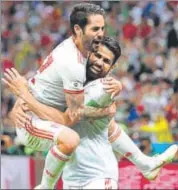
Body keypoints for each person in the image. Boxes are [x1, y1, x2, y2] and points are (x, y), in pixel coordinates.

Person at [4, 36, 178, 189]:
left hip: (99, 177)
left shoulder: (103, 88)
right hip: (72, 178)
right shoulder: (74, 77)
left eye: (106, 61)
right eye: (98, 56)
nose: (100, 62)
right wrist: (19, 106)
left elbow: (68, 116)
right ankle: (144, 163)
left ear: (112, 67)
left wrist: (25, 95)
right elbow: (48, 94)